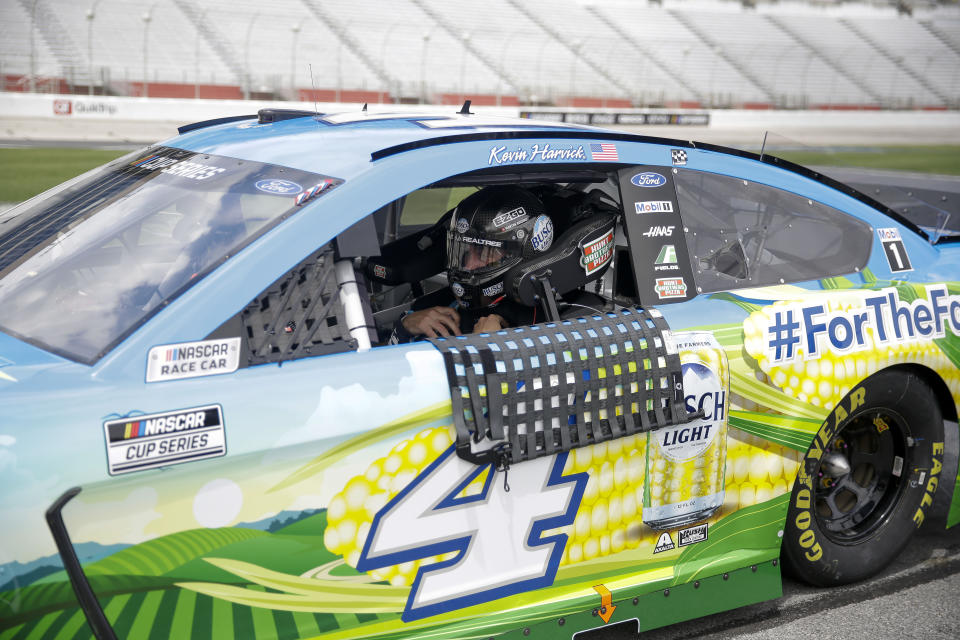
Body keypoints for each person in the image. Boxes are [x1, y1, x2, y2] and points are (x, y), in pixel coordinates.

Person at [391, 185, 556, 341]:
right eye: (465, 250)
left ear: (526, 250)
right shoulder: (437, 307)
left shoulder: (557, 319)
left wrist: (487, 347)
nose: (469, 265)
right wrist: (404, 327)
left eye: (485, 254)